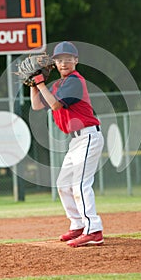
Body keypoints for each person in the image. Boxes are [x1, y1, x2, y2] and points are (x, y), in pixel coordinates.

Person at [30, 41, 104, 247]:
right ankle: (78, 224)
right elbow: (37, 105)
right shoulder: (56, 85)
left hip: (88, 136)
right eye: (59, 60)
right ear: (54, 63)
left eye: (68, 59)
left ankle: (94, 230)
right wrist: (35, 85)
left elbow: (55, 104)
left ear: (76, 61)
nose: (64, 63)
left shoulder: (74, 81)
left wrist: (41, 83)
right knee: (63, 184)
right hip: (76, 140)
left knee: (79, 185)